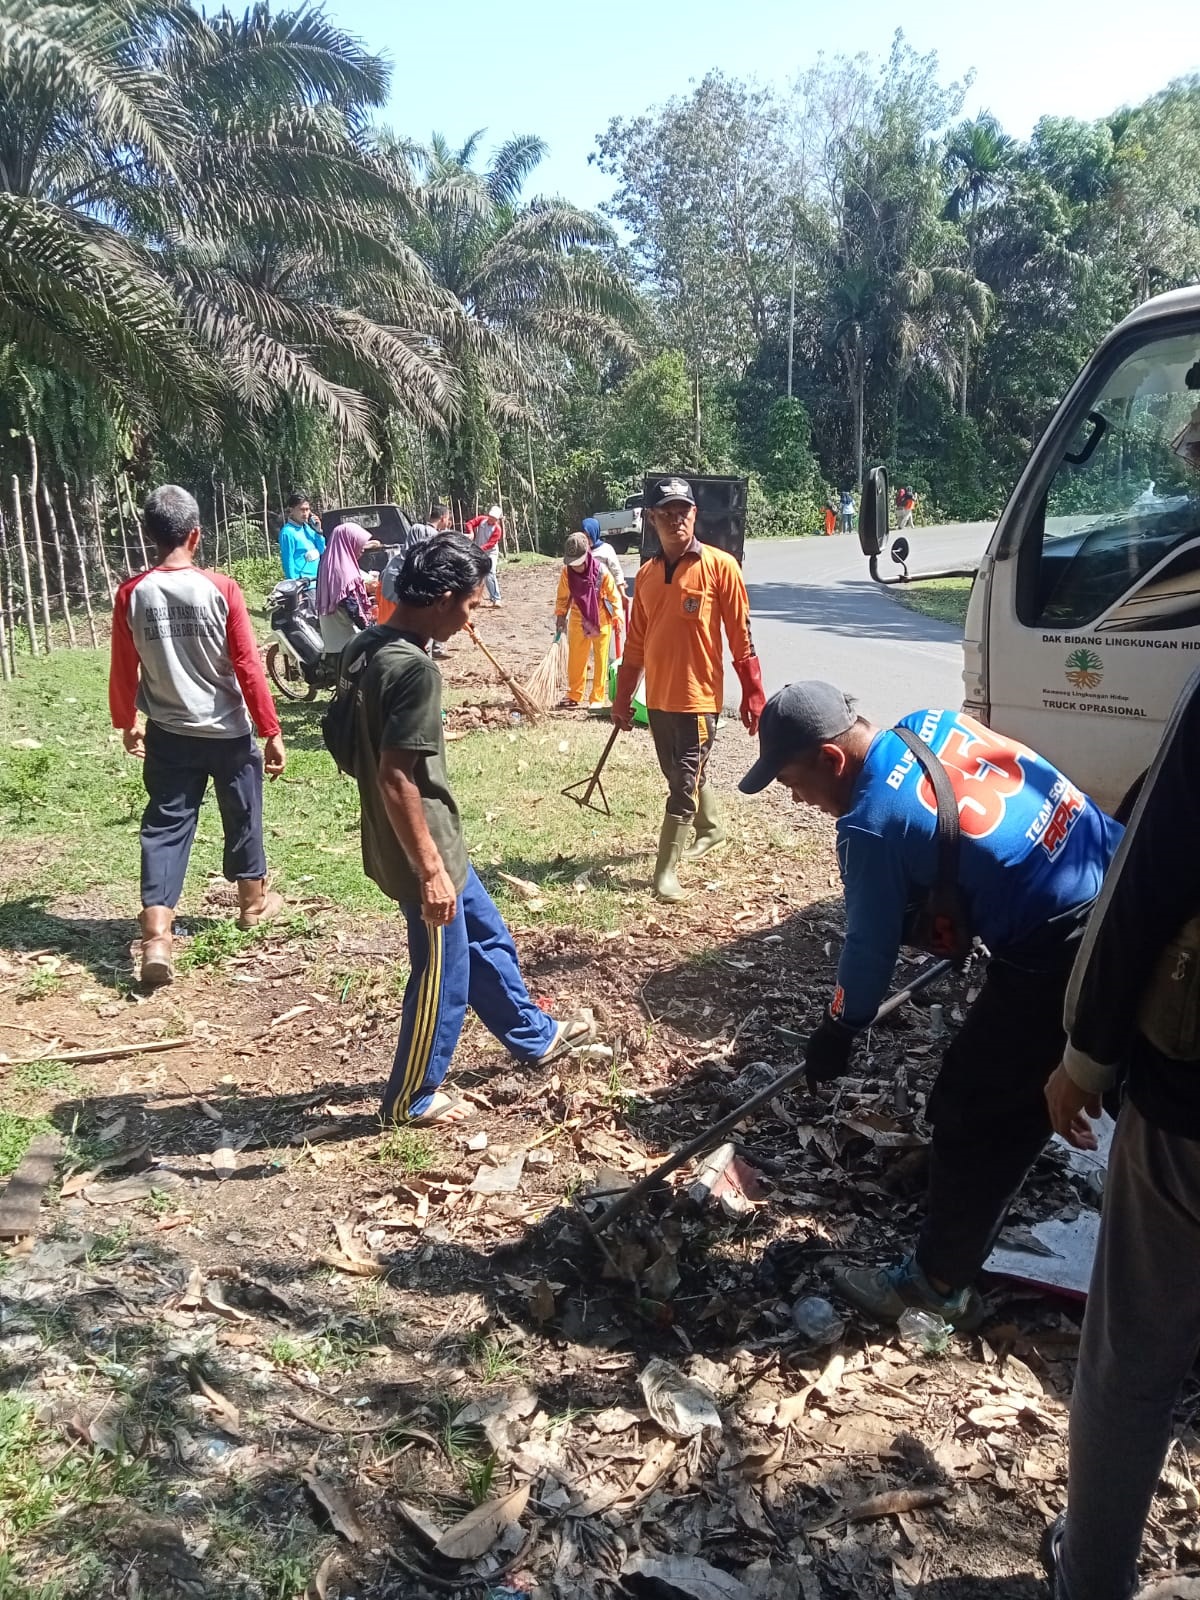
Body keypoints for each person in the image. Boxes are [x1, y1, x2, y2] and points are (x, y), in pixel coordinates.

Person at [739, 681, 1122, 1328]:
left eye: (793, 784)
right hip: (1114, 865)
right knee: (1102, 1062)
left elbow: (866, 948)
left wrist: (840, 1027)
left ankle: (934, 1285)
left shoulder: (871, 822)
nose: (800, 801)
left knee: (973, 1111)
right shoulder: (933, 723)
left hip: (1064, 944)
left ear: (832, 760)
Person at [1042, 671, 1200, 1600]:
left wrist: (1086, 1057)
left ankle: (1091, 1576)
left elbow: (1145, 877)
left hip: (1189, 1108)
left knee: (1132, 1356)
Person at [350, 534, 598, 1125]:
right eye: (468, 603)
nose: (472, 615)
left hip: (431, 840)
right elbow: (393, 777)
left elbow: (347, 741)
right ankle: (411, 1095)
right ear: (438, 599)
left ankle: (533, 1035)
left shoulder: (366, 646)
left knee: (487, 939)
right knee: (443, 971)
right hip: (422, 846)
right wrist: (430, 870)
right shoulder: (414, 671)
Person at [109, 485, 286, 987]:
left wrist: (128, 721)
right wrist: (270, 729)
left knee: (166, 825)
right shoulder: (221, 589)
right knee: (244, 811)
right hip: (228, 731)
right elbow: (249, 665)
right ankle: (252, 905)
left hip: (168, 732)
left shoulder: (132, 593)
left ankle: (157, 938)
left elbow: (124, 667)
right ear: (195, 535)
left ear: (150, 537)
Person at [612, 476, 765, 902]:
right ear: (652, 519)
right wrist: (623, 699)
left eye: (684, 512)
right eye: (667, 513)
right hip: (658, 699)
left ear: (695, 515)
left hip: (699, 700)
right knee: (678, 772)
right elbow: (636, 644)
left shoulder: (720, 566)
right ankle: (711, 827)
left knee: (682, 782)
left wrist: (753, 693)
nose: (676, 520)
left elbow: (741, 637)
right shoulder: (644, 576)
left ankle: (665, 873)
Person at [555, 531, 621, 708]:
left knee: (601, 659)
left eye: (578, 562)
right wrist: (561, 614)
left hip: (601, 617)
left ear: (587, 555)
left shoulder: (602, 571)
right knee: (576, 658)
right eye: (572, 563)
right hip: (577, 616)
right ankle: (574, 694)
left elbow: (614, 597)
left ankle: (597, 698)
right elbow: (563, 597)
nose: (575, 567)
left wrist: (617, 617)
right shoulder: (567, 573)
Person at [316, 521, 378, 653]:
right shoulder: (344, 572)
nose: (362, 548)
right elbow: (353, 608)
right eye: (358, 543)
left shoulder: (329, 562)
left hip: (331, 637)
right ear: (348, 542)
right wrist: (372, 630)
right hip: (346, 641)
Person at [278, 492, 325, 581]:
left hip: (318, 580)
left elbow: (322, 550)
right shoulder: (287, 533)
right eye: (301, 509)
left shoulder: (308, 529)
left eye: (307, 509)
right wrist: (294, 585)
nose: (305, 513)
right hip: (304, 585)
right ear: (291, 510)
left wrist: (318, 532)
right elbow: (288, 562)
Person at [464, 504, 504, 606]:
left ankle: (496, 598)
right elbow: (469, 523)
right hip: (478, 550)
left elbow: (490, 544)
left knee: (490, 573)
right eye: (490, 517)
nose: (491, 519)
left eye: (494, 518)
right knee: (474, 573)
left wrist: (478, 549)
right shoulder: (482, 520)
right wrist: (471, 532)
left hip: (490, 552)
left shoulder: (497, 529)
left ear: (497, 520)